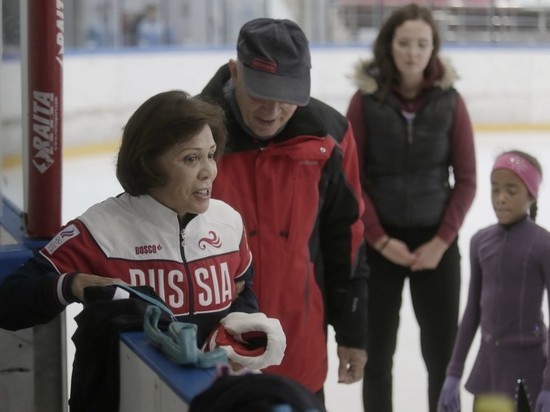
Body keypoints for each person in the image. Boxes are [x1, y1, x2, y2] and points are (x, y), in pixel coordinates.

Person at [0, 89, 258, 347]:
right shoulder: (100, 231)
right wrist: (74, 284)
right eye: (191, 158)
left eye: (210, 155)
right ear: (149, 163)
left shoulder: (228, 222)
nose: (209, 172)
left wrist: (247, 339)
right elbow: (8, 302)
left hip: (215, 386)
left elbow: (243, 295)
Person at [199, 17, 369, 399]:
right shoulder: (192, 136)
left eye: (287, 95)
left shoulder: (330, 138)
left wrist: (353, 331)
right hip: (211, 358)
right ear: (234, 72)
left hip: (298, 354)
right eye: (261, 93)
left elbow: (347, 239)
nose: (273, 110)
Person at [345, 4, 477, 411]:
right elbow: (352, 181)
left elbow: (467, 180)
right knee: (377, 356)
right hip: (379, 247)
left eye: (422, 44)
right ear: (390, 45)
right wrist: (380, 241)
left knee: (442, 358)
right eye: (405, 43)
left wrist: (441, 241)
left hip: (435, 245)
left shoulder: (450, 102)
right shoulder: (364, 102)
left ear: (433, 48)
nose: (413, 52)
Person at [438, 150, 550, 412]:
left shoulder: (543, 245)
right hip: (489, 370)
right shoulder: (480, 241)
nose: (500, 199)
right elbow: (472, 312)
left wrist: (548, 384)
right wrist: (453, 372)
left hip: (529, 372)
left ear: (531, 195)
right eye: (495, 189)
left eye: (511, 191)